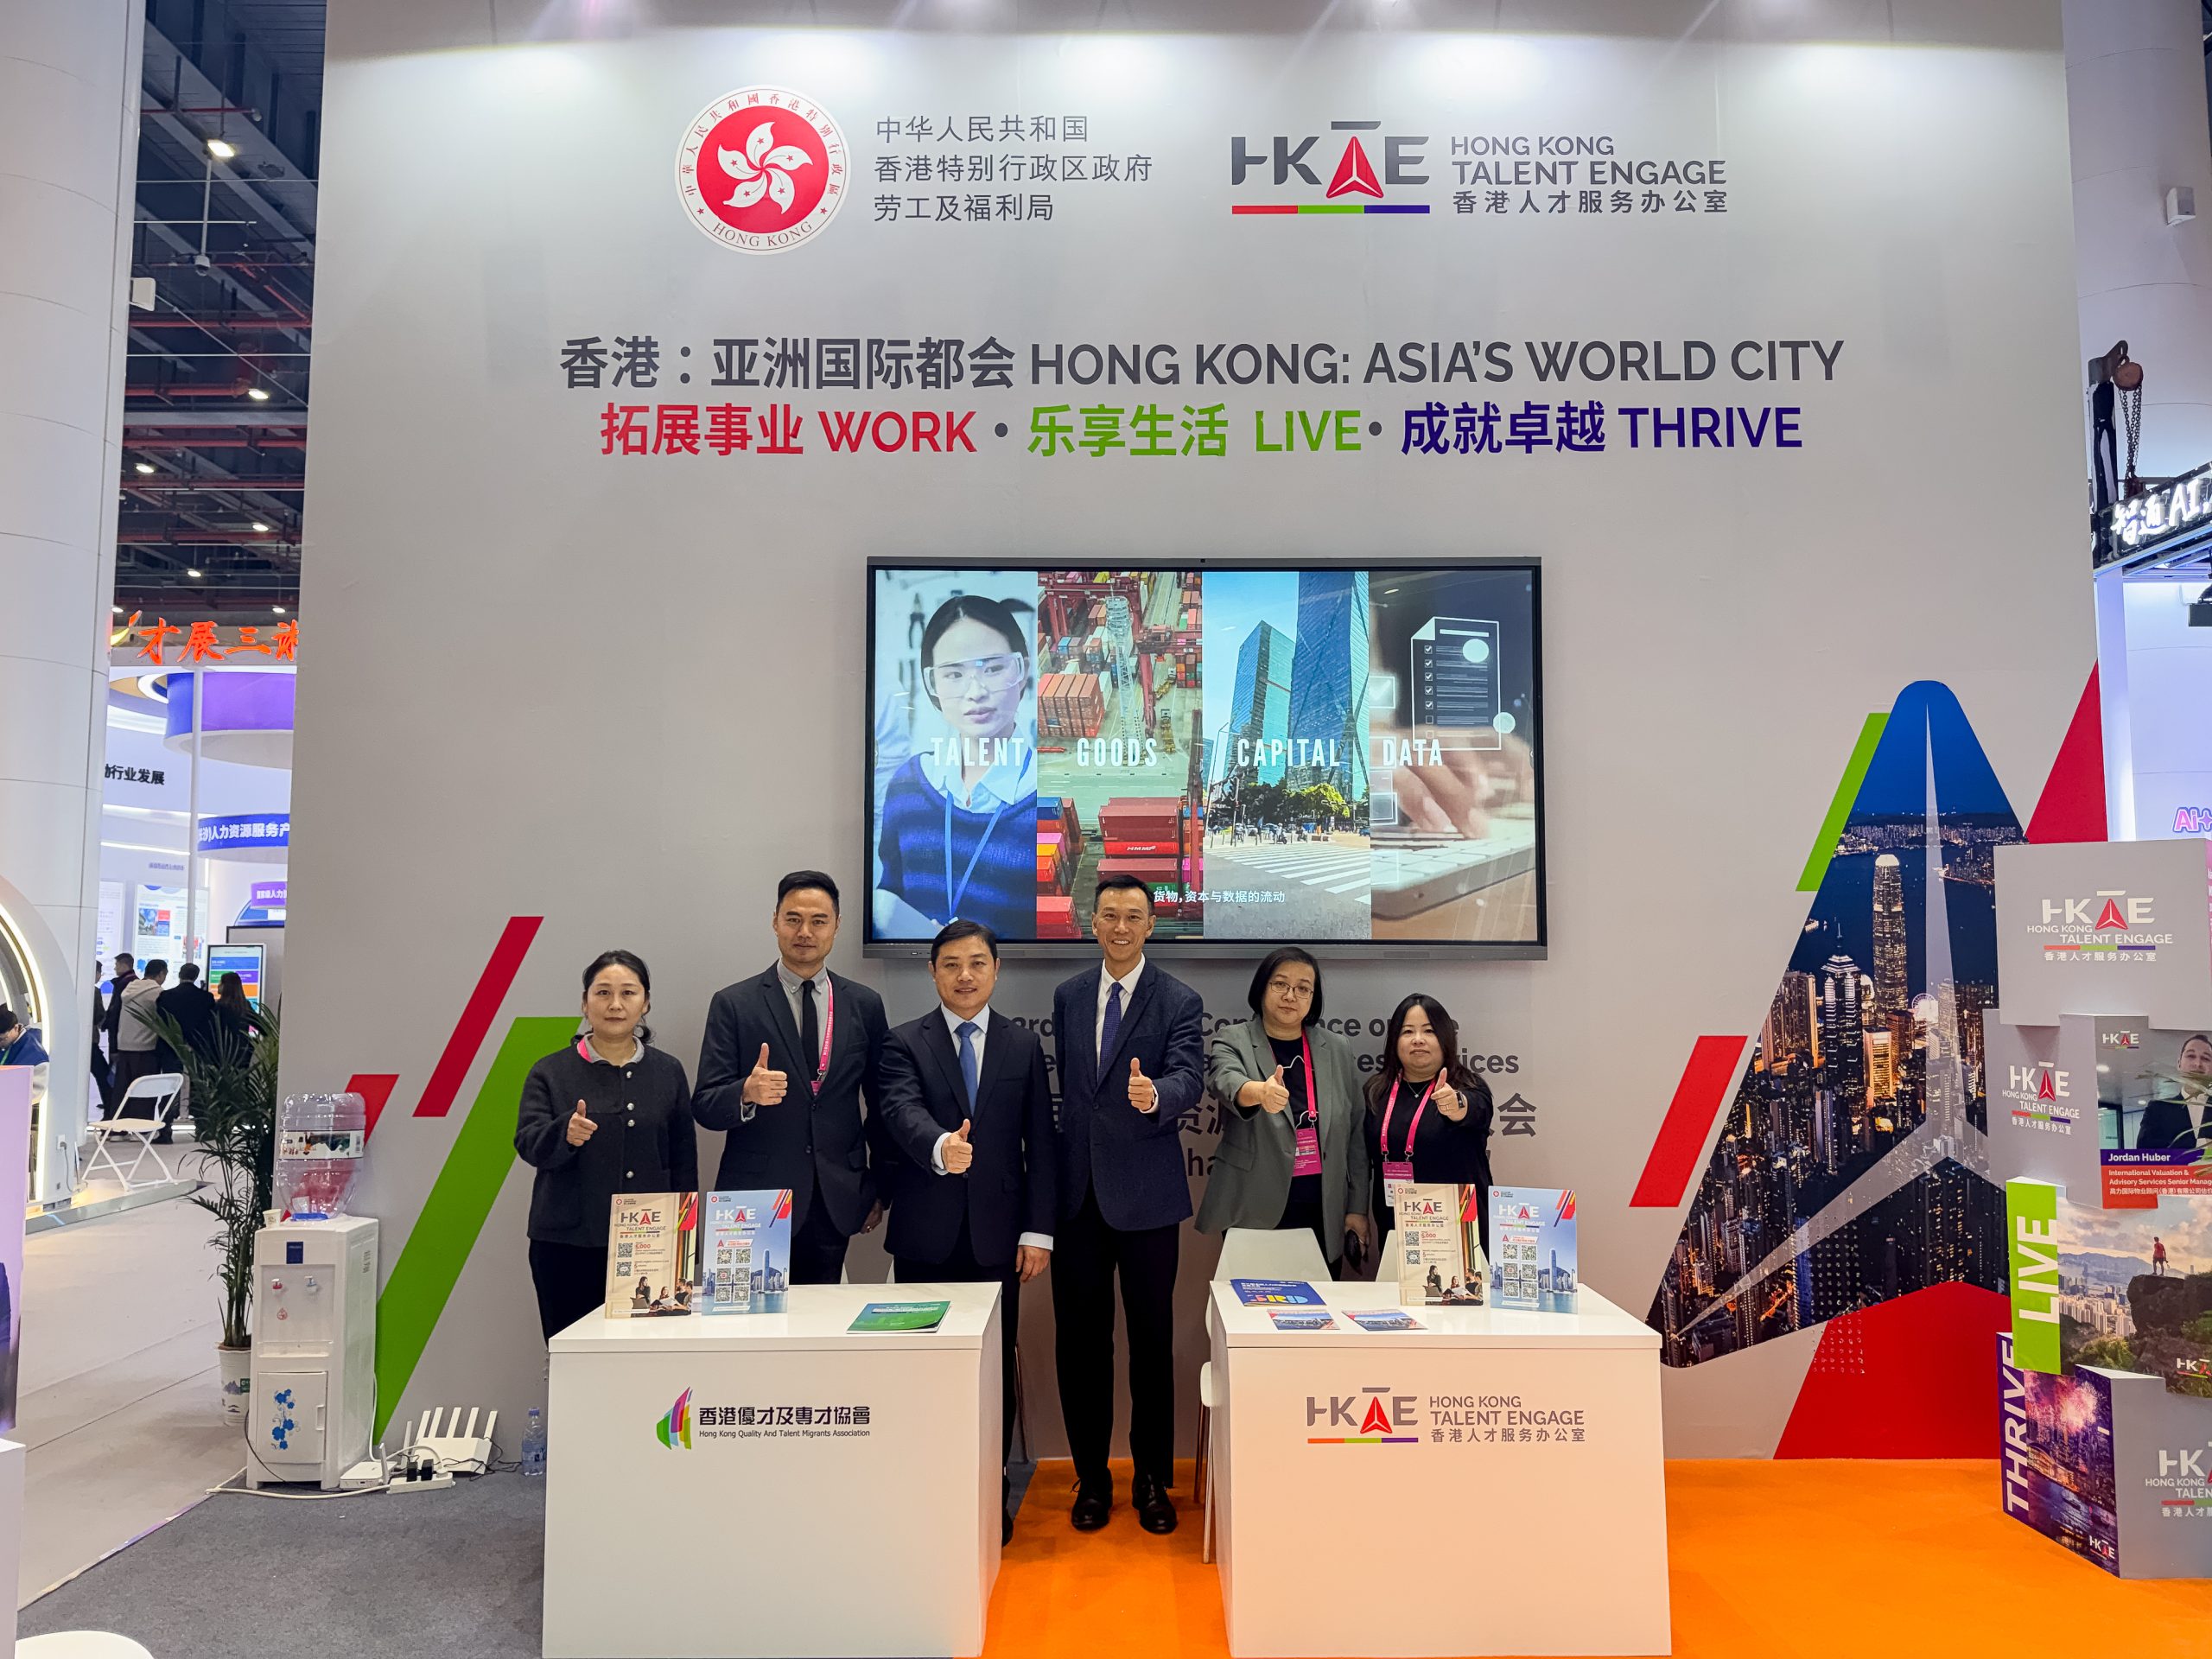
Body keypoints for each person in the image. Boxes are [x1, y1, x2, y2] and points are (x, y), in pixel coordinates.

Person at [875, 919, 1057, 1544]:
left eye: (977, 963)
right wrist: (939, 1147)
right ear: (932, 972)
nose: (965, 975)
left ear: (997, 970)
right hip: (924, 1237)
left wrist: (1038, 1232)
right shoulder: (904, 1042)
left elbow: (1041, 1144)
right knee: (922, 1371)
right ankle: (925, 1492)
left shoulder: (1021, 1045)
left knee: (991, 1372)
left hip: (998, 1240)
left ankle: (989, 1496)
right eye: (951, 964)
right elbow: (899, 1110)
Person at [1048, 872, 1204, 1536]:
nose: (1120, 926)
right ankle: (1091, 1477)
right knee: (1081, 1346)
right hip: (1077, 1197)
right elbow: (1074, 1094)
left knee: (1150, 1345)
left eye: (1133, 916)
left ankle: (1150, 1479)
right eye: (1109, 914)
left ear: (1150, 925)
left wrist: (1157, 1096)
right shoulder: (1068, 994)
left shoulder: (1179, 998)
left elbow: (1190, 1075)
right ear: (1092, 922)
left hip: (1147, 1198)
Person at [693, 871, 891, 1285]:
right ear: (775, 921)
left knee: (821, 1320)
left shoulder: (864, 1005)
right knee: (748, 1320)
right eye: (793, 919)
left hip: (834, 1196)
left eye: (818, 921)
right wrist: (745, 1093)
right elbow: (705, 1103)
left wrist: (878, 1186)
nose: (805, 932)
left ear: (836, 925)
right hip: (754, 1200)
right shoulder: (734, 1003)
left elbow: (882, 1105)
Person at [513, 950, 698, 1341]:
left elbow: (683, 1159)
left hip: (650, 1246)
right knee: (573, 1355)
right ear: (585, 1003)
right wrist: (564, 1133)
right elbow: (528, 1143)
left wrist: (684, 1242)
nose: (615, 1004)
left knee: (646, 1354)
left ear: (645, 1003)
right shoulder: (550, 1071)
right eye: (603, 993)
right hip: (567, 1245)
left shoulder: (668, 1071)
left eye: (628, 993)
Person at [873, 595, 1039, 943]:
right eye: (954, 674)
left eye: (992, 669)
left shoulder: (1048, 796)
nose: (975, 692)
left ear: (1022, 670)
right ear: (932, 685)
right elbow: (890, 895)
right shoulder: (907, 785)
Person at [1198, 947, 1371, 1274]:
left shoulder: (1336, 1048)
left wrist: (1357, 1207)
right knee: (1255, 1302)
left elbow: (1355, 1135)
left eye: (1303, 988)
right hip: (1254, 1204)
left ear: (1313, 998)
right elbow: (1225, 1080)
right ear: (1262, 988)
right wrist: (1259, 1092)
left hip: (1323, 1208)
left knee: (1320, 1304)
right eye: (1280, 984)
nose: (1291, 996)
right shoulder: (1233, 1039)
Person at [1364, 994, 1496, 1253]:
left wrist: (1457, 1104)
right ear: (1395, 1040)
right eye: (1407, 1031)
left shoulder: (1469, 1086)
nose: (1418, 1039)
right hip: (1397, 1223)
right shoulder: (1377, 1091)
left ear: (1445, 1038)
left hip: (1458, 1227)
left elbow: (1477, 1109)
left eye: (1429, 1031)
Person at [2136, 1033, 2212, 1152]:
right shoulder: (2157, 1110)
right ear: (2179, 1063)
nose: (2198, 1064)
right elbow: (2144, 1156)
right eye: (2191, 1056)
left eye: (2206, 1058)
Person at [113, 959, 167, 1096]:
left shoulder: (129, 988)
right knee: (143, 1096)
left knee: (123, 1092)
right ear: (161, 974)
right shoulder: (157, 993)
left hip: (124, 1048)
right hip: (145, 1050)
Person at [0, 1007, 51, 1112]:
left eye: (1, 1039)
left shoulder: (36, 1057)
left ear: (16, 1028)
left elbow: (33, 1095)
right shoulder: (7, 1044)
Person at [101, 952, 136, 1056]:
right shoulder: (131, 982)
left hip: (119, 1032)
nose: (115, 968)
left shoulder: (124, 983)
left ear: (124, 966)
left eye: (116, 965)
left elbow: (116, 1010)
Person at [213, 971, 256, 1046]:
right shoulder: (245, 1005)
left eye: (221, 983)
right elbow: (261, 1025)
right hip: (242, 1048)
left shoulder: (219, 1007)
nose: (218, 985)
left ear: (226, 986)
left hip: (223, 1049)